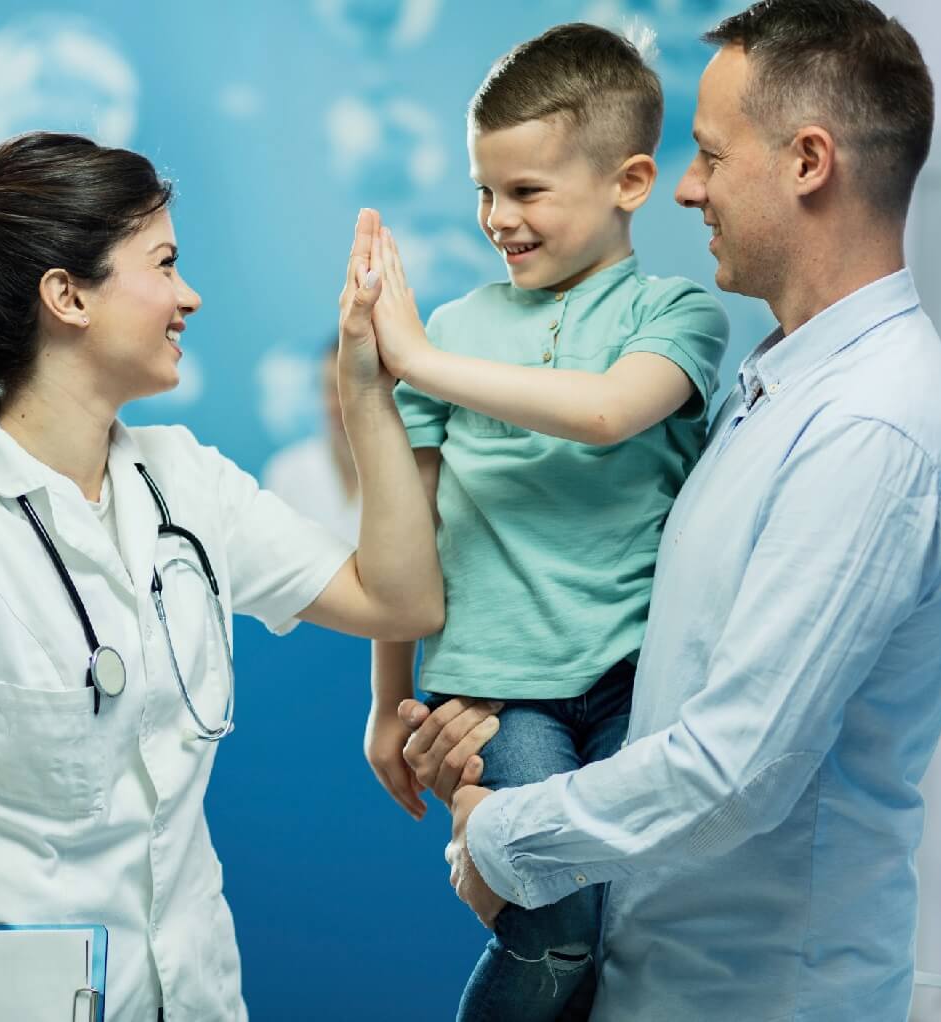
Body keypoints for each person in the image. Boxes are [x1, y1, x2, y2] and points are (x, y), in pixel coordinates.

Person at [413, 2, 941, 1019]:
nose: (689, 186)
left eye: (707, 154)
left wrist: (501, 830)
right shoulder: (772, 389)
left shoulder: (870, 432)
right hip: (656, 976)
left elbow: (734, 767)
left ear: (807, 160)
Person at [0, 133, 442, 1022]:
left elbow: (401, 600)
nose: (188, 295)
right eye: (164, 263)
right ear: (67, 296)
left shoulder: (187, 481)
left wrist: (365, 396)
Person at [362, 23, 728, 1021]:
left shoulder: (681, 315)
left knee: (624, 924)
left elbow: (608, 411)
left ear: (631, 180)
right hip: (499, 699)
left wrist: (418, 362)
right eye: (485, 190)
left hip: (630, 688)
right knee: (557, 921)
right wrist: (387, 701)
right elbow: (408, 527)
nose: (497, 218)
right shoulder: (456, 326)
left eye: (526, 192)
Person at [261, 339, 361, 544]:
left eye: (349, 390)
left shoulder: (409, 472)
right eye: (329, 389)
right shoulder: (287, 472)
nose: (336, 404)